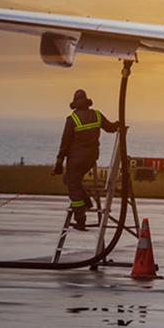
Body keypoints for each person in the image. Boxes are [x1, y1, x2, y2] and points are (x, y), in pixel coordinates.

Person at [53, 89, 121, 230]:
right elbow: (110, 128)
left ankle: (80, 219)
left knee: (73, 186)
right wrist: (119, 124)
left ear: (75, 104)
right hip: (91, 158)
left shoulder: (72, 120)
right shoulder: (96, 115)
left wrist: (59, 162)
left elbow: (64, 144)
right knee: (69, 178)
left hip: (75, 159)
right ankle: (87, 202)